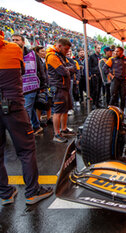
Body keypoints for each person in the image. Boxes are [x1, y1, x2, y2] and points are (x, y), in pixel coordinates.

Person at [0, 30, 53, 205]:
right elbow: (21, 71)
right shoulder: (13, 48)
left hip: (9, 104)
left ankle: (5, 193)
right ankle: (32, 191)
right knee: (26, 149)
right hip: (13, 105)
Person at [12, 34, 46, 136]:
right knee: (29, 108)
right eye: (13, 40)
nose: (14, 42)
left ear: (23, 42)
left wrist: (43, 85)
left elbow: (40, 69)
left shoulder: (32, 54)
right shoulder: (11, 54)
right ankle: (36, 126)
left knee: (25, 110)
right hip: (18, 87)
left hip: (31, 87)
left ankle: (27, 132)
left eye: (17, 40)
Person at [46, 38, 76, 143]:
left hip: (64, 87)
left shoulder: (60, 56)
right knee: (58, 111)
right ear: (59, 46)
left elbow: (73, 68)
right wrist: (68, 69)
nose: (67, 51)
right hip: (58, 87)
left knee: (65, 109)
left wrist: (68, 69)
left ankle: (64, 129)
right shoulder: (52, 56)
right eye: (66, 49)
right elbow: (64, 72)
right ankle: (56, 134)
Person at [103, 46, 126, 111]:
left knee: (123, 96)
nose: (116, 52)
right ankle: (110, 110)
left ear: (122, 52)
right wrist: (110, 75)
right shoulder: (112, 59)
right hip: (115, 79)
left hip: (123, 80)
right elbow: (104, 68)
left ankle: (122, 111)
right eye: (115, 51)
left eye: (117, 51)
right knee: (113, 95)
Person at [66, 48, 80, 115]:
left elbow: (76, 70)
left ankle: (72, 106)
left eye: (69, 51)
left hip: (71, 79)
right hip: (63, 80)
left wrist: (77, 78)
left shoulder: (73, 61)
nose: (68, 53)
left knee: (72, 92)